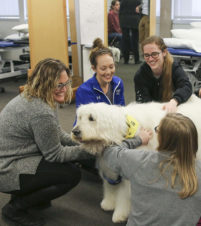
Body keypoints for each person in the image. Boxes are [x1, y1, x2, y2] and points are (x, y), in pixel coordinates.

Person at [0, 58, 92, 226]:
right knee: (70, 174)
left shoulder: (40, 96)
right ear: (45, 84)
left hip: (16, 157)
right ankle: (14, 209)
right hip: (7, 169)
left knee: (73, 159)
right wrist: (90, 150)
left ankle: (29, 194)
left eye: (66, 83)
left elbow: (57, 133)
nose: (64, 89)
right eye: (59, 85)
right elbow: (55, 154)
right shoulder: (41, 111)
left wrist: (81, 145)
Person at [102, 113, 201, 226]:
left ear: (162, 138)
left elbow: (109, 152)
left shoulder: (140, 161)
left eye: (157, 130)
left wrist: (138, 139)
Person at [75, 37, 125, 172]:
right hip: (93, 137)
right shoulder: (84, 91)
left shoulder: (118, 83)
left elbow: (122, 112)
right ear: (94, 68)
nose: (108, 72)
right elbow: (83, 127)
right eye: (103, 68)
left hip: (112, 131)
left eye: (111, 66)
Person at [134, 35, 192, 113]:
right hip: (152, 113)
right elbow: (143, 103)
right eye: (146, 55)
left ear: (164, 52)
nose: (150, 59)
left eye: (154, 54)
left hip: (171, 110)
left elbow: (186, 86)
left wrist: (174, 101)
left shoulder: (174, 67)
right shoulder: (140, 75)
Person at [119, 0, 142, 64]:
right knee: (135, 40)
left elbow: (120, 10)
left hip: (124, 20)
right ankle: (136, 60)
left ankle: (126, 60)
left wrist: (121, 22)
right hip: (134, 20)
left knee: (125, 40)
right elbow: (140, 8)